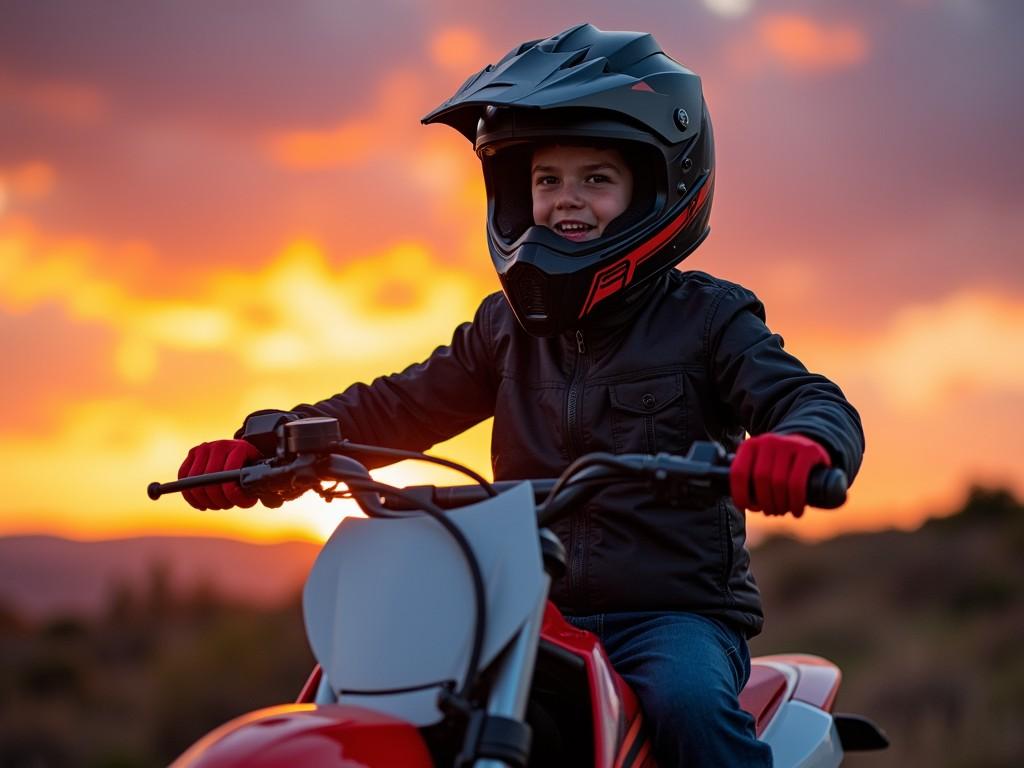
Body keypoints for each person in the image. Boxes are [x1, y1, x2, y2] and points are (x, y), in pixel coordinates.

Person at [179, 24, 863, 767]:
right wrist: (271, 440)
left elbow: (810, 399)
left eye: (596, 178)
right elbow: (397, 405)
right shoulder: (504, 331)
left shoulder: (709, 320)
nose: (567, 200)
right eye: (546, 180)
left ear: (657, 188)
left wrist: (803, 445)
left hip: (669, 616)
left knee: (689, 709)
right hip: (521, 606)